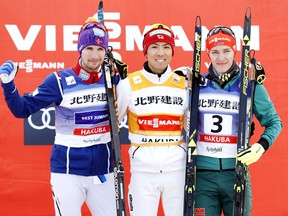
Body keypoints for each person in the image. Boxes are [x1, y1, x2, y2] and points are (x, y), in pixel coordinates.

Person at [0, 17, 124, 216]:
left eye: (100, 49)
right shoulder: (60, 81)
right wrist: (8, 85)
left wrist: (123, 77)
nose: (95, 56)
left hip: (103, 170)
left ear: (107, 52)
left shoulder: (114, 79)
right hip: (68, 172)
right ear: (80, 49)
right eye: (90, 48)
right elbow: (22, 109)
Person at [194, 26, 282, 216]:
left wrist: (261, 146)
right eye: (215, 52)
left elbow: (274, 121)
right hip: (202, 176)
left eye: (226, 51)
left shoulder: (250, 85)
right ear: (208, 53)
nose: (221, 58)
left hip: (236, 173)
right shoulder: (197, 85)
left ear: (234, 51)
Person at [117, 23, 188, 216]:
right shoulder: (128, 84)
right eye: (154, 46)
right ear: (145, 51)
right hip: (143, 172)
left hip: (177, 170)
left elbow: (192, 125)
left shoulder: (184, 84)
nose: (160, 53)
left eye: (166, 47)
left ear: (172, 51)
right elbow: (114, 122)